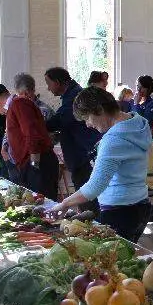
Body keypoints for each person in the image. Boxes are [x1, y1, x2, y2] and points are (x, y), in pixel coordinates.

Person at [48, 87, 152, 243]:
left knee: (113, 262)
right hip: (141, 205)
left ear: (100, 110)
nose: (88, 125)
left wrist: (64, 204)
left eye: (87, 118)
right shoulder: (138, 123)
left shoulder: (112, 140)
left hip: (119, 210)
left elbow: (94, 187)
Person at [0, 83, 60, 200]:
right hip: (30, 163)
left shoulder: (19, 103)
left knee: (43, 204)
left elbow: (31, 132)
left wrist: (34, 165)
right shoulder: (14, 106)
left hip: (38, 162)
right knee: (32, 205)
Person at [44, 67, 102, 208]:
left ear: (58, 82)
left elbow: (58, 121)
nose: (48, 88)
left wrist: (33, 123)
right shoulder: (71, 94)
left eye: (48, 83)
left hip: (83, 156)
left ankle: (91, 228)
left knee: (87, 202)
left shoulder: (74, 96)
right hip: (81, 155)